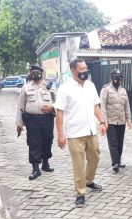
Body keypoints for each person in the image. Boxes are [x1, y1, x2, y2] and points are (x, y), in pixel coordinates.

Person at [54, 59, 107, 208]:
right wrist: (60, 135)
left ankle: (88, 180)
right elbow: (59, 113)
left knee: (95, 157)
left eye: (85, 68)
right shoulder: (65, 89)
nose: (85, 72)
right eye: (81, 69)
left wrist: (102, 122)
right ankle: (80, 193)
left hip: (91, 130)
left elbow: (95, 106)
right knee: (78, 164)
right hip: (75, 133)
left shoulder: (90, 86)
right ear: (73, 71)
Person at [16, 64, 55, 180]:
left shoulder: (50, 87)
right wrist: (19, 123)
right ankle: (35, 168)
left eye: (37, 72)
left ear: (42, 73)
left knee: (48, 140)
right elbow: (21, 106)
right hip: (32, 119)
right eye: (32, 72)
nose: (35, 74)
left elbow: (59, 103)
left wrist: (52, 107)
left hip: (47, 118)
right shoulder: (26, 87)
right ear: (30, 74)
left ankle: (45, 163)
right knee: (33, 142)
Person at [100, 69, 132, 172]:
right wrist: (104, 121)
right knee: (113, 142)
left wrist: (129, 120)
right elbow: (103, 106)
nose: (119, 80)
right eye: (117, 77)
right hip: (110, 120)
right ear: (113, 78)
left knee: (120, 142)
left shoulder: (123, 90)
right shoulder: (106, 89)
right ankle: (115, 163)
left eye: (120, 77)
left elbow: (127, 106)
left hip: (121, 120)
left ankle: (119, 160)